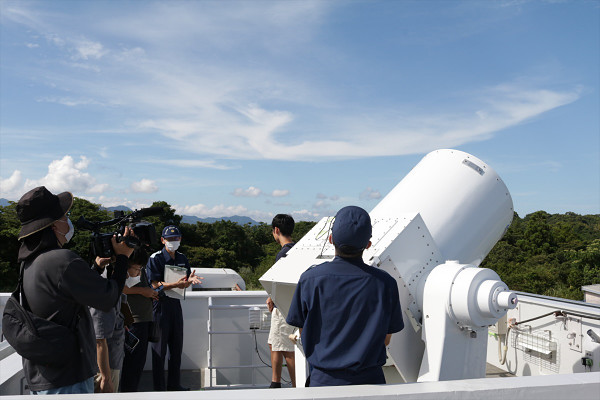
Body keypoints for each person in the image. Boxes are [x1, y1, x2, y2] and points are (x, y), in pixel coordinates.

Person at [15, 186, 133, 394]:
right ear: (53, 225)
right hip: (68, 380)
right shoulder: (63, 260)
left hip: (43, 373)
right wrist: (123, 257)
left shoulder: (31, 262)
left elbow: (66, 294)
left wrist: (95, 269)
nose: (68, 221)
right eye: (65, 216)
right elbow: (108, 298)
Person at [286, 206, 404, 387]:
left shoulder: (310, 279)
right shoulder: (385, 283)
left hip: (323, 384)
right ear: (368, 245)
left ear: (331, 239)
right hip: (371, 385)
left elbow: (303, 331)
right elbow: (386, 339)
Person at [146, 225, 201, 391]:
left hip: (176, 305)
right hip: (159, 306)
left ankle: (174, 385)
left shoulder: (183, 258)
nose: (173, 242)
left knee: (176, 349)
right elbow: (155, 284)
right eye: (169, 239)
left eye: (176, 238)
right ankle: (159, 388)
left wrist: (190, 280)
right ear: (162, 240)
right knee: (159, 350)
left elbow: (185, 281)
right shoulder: (155, 258)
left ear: (180, 239)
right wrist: (176, 284)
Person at [120, 248, 158, 392]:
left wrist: (149, 292)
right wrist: (143, 291)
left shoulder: (137, 260)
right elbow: (121, 287)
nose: (139, 271)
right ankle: (128, 393)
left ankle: (130, 391)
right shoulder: (126, 259)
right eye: (138, 269)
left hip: (143, 319)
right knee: (132, 364)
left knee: (137, 363)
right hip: (134, 321)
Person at [266, 214, 297, 388]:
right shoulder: (297, 250)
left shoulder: (283, 253)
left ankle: (293, 385)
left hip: (283, 309)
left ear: (276, 230)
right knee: (274, 343)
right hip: (291, 306)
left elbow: (278, 281)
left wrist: (271, 296)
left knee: (286, 349)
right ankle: (275, 381)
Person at [90, 257, 127, 393]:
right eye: (135, 269)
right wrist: (106, 378)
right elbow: (100, 340)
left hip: (113, 362)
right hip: (105, 368)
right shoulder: (104, 297)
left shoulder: (113, 292)